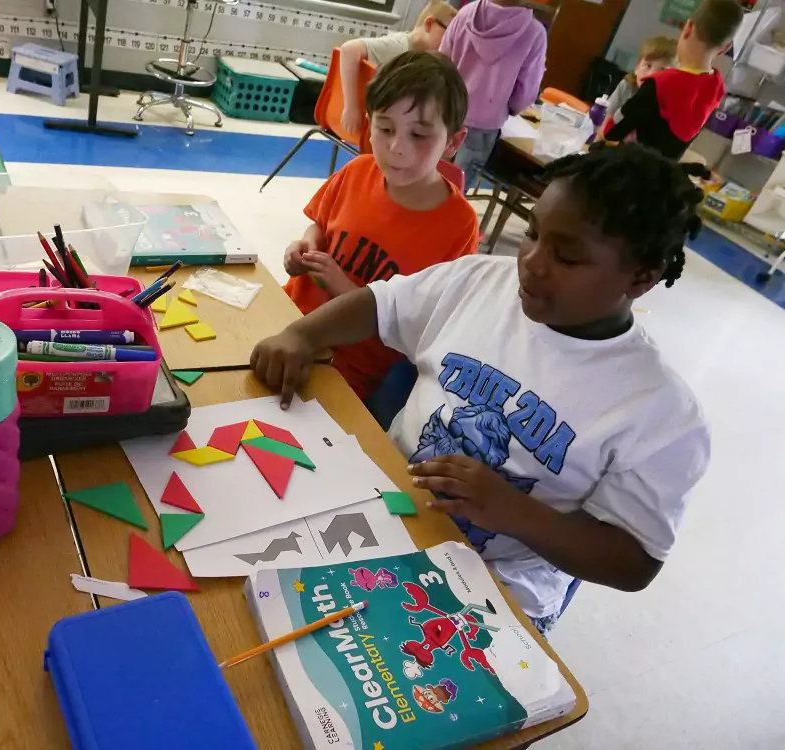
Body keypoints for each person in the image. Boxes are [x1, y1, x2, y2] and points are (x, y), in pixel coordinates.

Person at [253, 143, 711, 633]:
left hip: (493, 591)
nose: (532, 262)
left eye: (568, 257)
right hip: (379, 509)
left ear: (642, 277)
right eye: (532, 235)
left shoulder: (660, 411)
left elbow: (635, 562)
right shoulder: (479, 281)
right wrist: (302, 334)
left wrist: (514, 511)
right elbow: (381, 304)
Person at [283, 50, 478, 403]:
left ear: (453, 142)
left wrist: (344, 287)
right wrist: (305, 246)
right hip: (286, 317)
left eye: (419, 135)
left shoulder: (458, 225)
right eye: (385, 128)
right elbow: (319, 227)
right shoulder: (358, 171)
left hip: (345, 366)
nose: (396, 147)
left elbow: (418, 327)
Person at [605, 0, 744, 159]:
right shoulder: (715, 87)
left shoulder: (660, 83)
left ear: (688, 28)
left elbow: (612, 132)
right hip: (662, 176)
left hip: (629, 168)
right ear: (725, 48)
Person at [439, 0, 547, 190]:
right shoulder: (534, 33)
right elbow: (525, 91)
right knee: (456, 190)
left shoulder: (466, 13)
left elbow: (440, 63)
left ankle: (414, 217)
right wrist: (510, 107)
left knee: (427, 177)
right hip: (484, 126)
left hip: (446, 113)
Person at [339, 1, 457, 134]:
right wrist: (351, 108)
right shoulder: (400, 45)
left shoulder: (422, 57)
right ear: (429, 24)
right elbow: (348, 50)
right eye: (449, 34)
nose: (451, 43)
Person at [595, 36, 677, 140]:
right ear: (637, 67)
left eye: (662, 70)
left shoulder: (668, 103)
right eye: (648, 66)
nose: (651, 74)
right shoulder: (626, 86)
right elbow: (605, 124)